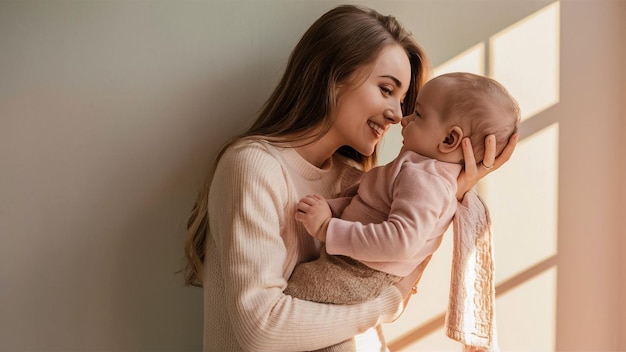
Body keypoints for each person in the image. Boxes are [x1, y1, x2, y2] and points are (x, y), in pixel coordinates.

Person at [182, 4, 519, 352]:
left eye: (406, 102)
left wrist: (452, 190)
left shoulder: (358, 183)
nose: (397, 115)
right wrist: (389, 304)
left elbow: (388, 268)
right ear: (333, 76)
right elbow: (261, 331)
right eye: (387, 89)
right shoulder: (254, 166)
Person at [285, 72, 520, 351]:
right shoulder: (422, 171)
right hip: (358, 266)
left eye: (418, 114)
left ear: (450, 140)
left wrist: (327, 227)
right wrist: (331, 208)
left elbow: (400, 241)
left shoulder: (425, 179)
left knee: (299, 296)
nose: (403, 120)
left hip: (360, 271)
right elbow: (369, 203)